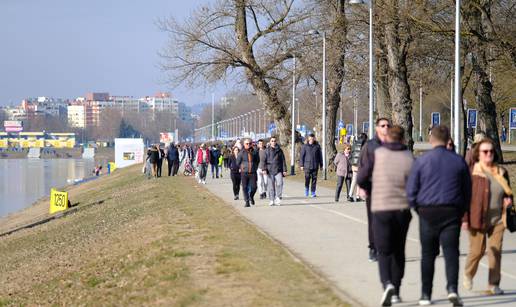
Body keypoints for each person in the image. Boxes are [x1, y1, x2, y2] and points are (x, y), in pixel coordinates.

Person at [406, 125, 471, 306]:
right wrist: (461, 210)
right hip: (451, 212)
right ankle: (452, 289)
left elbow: (411, 190)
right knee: (451, 253)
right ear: (448, 138)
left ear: (431, 139)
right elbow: (467, 190)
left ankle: (425, 294)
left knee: (428, 254)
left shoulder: (421, 161)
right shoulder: (458, 161)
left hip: (427, 212)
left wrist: (417, 208)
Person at [358, 125, 413, 305]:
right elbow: (416, 183)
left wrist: (369, 188)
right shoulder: (409, 157)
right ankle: (396, 290)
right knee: (399, 250)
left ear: (387, 138)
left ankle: (387, 283)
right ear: (403, 139)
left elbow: (361, 177)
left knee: (383, 250)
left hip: (381, 208)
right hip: (402, 209)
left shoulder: (378, 155)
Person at [462, 138, 512, 295]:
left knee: (495, 251)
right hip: (477, 217)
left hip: (498, 219)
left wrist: (508, 202)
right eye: (485, 151)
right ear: (478, 154)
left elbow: (507, 192)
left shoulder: (502, 172)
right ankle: (468, 274)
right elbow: (464, 198)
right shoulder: (472, 173)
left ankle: (493, 284)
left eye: (491, 151)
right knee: (477, 250)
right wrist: (464, 219)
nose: (489, 154)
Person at [358, 117, 391, 262]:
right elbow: (362, 165)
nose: (386, 128)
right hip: (372, 187)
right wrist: (361, 187)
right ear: (377, 128)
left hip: (390, 189)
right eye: (383, 125)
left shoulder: (393, 144)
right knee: (374, 220)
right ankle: (373, 248)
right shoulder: (370, 146)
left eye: (388, 125)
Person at [262, 136, 287, 206]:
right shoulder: (266, 150)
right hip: (270, 170)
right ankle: (271, 199)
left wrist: (284, 170)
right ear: (270, 142)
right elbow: (263, 161)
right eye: (272, 141)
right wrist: (264, 169)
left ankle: (278, 197)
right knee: (271, 186)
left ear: (276, 142)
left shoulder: (280, 150)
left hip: (278, 170)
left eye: (274, 141)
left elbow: (283, 160)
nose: (273, 142)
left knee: (280, 183)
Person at [236, 138, 260, 207]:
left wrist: (254, 167)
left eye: (250, 143)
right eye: (247, 144)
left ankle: (251, 196)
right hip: (244, 173)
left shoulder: (255, 152)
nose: (248, 145)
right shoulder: (241, 152)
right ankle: (247, 201)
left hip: (253, 173)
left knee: (254, 187)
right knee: (244, 187)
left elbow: (257, 161)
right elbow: (238, 162)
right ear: (244, 144)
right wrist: (242, 167)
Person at [349, 133, 367, 202]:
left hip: (354, 165)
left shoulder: (354, 144)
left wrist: (352, 162)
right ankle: (357, 196)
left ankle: (350, 195)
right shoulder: (365, 145)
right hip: (361, 165)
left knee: (354, 180)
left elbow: (351, 154)